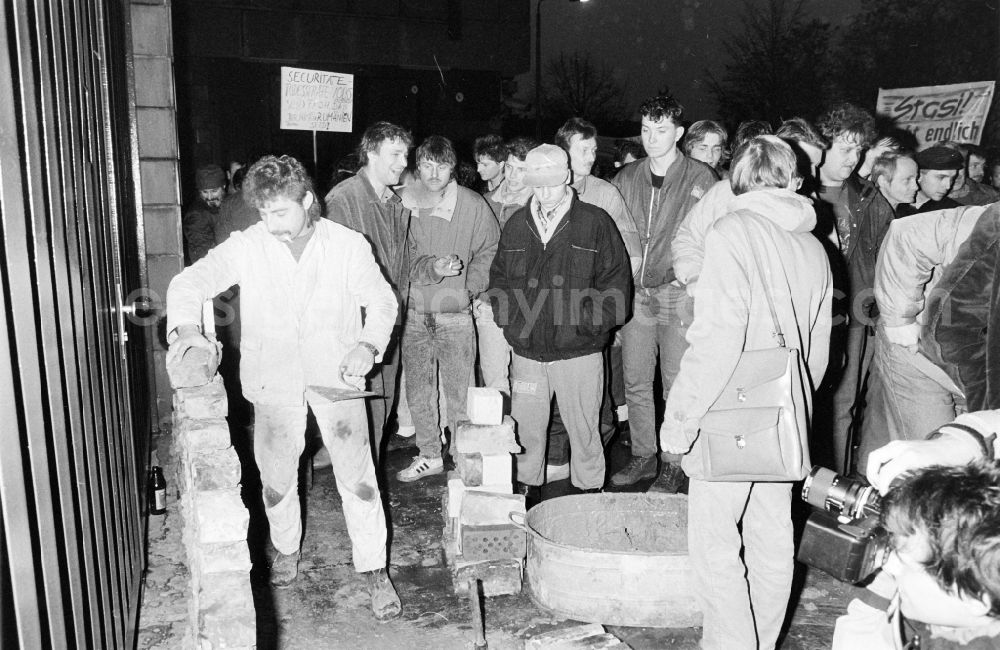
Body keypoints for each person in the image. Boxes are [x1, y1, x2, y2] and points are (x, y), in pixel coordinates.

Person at [165, 155, 402, 618]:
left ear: (308, 202)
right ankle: (287, 547)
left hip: (338, 378)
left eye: (280, 212)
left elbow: (382, 301)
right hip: (273, 379)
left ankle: (374, 568)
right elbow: (188, 283)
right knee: (275, 481)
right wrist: (187, 331)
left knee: (359, 482)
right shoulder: (248, 244)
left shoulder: (348, 245)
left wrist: (368, 346)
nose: (270, 223)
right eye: (263, 213)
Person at [660, 136, 832, 650]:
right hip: (784, 418)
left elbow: (717, 339)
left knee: (715, 549)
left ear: (737, 181)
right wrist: (787, 407)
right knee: (772, 544)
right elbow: (817, 354)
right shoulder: (814, 246)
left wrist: (681, 417)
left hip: (727, 417)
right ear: (794, 181)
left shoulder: (730, 231)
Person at [489, 144, 631, 502]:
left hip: (579, 352)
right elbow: (500, 282)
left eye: (553, 184)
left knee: (585, 432)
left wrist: (584, 327)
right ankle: (524, 499)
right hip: (528, 353)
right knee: (526, 434)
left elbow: (616, 289)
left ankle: (590, 499)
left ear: (567, 177)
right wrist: (514, 326)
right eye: (538, 186)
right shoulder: (517, 225)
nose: (546, 193)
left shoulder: (595, 222)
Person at [610, 94, 717, 489]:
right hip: (637, 292)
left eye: (660, 130)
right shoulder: (626, 177)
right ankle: (643, 455)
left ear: (678, 132)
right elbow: (615, 232)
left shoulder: (701, 177)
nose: (651, 138)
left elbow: (710, 235)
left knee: (675, 380)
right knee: (636, 379)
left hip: (678, 293)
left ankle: (674, 460)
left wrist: (688, 277)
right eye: (645, 129)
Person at [395, 136, 500, 482]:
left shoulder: (472, 205)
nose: (434, 172)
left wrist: (469, 286)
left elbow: (490, 249)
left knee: (459, 393)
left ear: (453, 167)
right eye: (426, 165)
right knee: (419, 392)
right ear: (417, 167)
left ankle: (461, 455)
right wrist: (432, 269)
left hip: (455, 315)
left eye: (441, 165)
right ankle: (429, 454)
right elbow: (402, 257)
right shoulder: (405, 204)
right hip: (414, 313)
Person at [812, 102, 892, 475]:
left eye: (859, 149)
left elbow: (888, 257)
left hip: (855, 316)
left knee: (842, 406)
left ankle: (835, 490)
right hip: (808, 315)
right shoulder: (799, 192)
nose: (853, 157)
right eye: (845, 148)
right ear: (822, 145)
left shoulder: (869, 199)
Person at [324, 122, 413, 455]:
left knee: (380, 412)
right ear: (372, 153)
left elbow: (400, 266)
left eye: (406, 153)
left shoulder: (394, 203)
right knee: (360, 422)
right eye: (396, 153)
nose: (404, 162)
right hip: (357, 335)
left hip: (387, 328)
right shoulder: (343, 200)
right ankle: (361, 495)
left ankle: (367, 491)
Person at [896, 145, 964, 216]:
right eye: (941, 177)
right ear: (919, 175)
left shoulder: (954, 212)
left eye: (952, 178)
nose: (948, 186)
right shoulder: (895, 202)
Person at [183, 163, 227, 264]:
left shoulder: (230, 204)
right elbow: (202, 254)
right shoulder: (197, 215)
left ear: (223, 186)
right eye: (205, 192)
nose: (210, 197)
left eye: (214, 191)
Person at [935, 141, 1000, 207]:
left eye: (959, 166)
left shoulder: (992, 195)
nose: (955, 173)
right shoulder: (930, 203)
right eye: (948, 167)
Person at [870, 151, 919, 216]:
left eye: (916, 179)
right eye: (907, 180)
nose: (916, 187)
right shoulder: (865, 216)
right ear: (882, 181)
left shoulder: (911, 216)